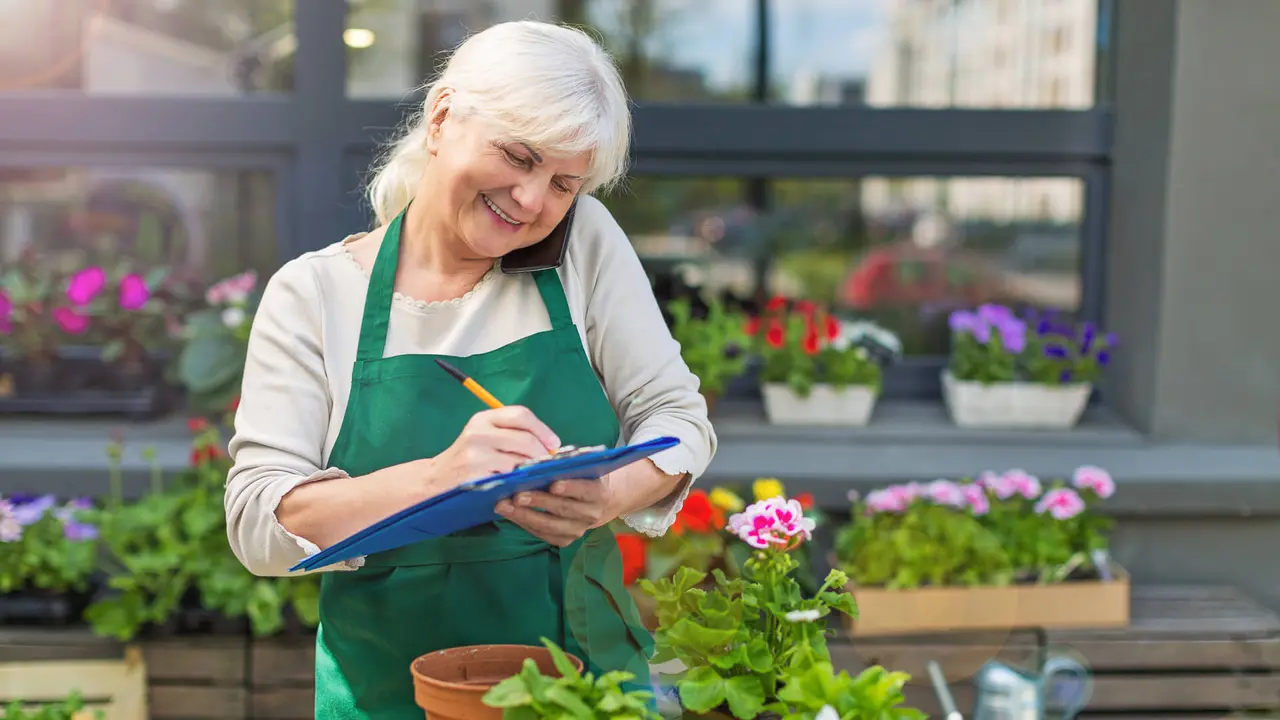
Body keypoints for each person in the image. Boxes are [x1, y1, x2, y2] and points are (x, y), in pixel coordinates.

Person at [223, 20, 716, 719]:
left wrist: (609, 494)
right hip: (388, 695)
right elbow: (257, 522)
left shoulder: (584, 250)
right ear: (443, 117)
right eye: (518, 157)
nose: (531, 200)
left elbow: (679, 421)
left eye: (563, 183)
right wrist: (436, 480)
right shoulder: (315, 294)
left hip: (586, 689)